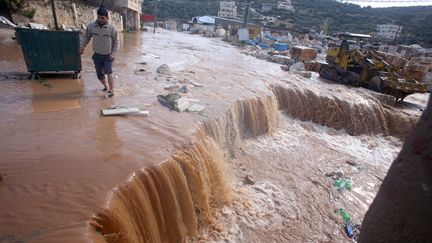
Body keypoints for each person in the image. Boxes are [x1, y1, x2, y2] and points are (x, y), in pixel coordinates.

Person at [80, 6, 119, 98]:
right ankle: (105, 86)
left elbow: (116, 41)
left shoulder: (112, 28)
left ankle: (111, 90)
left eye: (102, 18)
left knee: (108, 72)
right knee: (99, 75)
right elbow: (86, 37)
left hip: (108, 55)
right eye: (99, 17)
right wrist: (81, 47)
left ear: (107, 18)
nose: (100, 19)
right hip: (97, 55)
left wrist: (113, 53)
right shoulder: (91, 26)